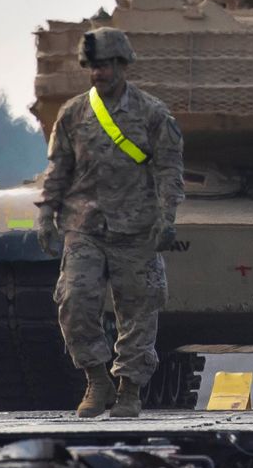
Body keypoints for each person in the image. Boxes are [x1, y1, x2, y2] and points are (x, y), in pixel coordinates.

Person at [36, 27, 184, 418]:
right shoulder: (74, 113)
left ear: (122, 64)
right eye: (92, 66)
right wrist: (46, 213)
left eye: (104, 65)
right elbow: (58, 168)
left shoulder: (152, 114)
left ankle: (130, 390)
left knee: (138, 311)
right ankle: (96, 380)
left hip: (136, 228)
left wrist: (167, 217)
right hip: (84, 224)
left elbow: (169, 170)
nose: (98, 73)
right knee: (74, 301)